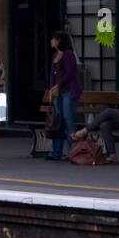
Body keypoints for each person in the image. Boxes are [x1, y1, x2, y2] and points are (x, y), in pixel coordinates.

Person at [46, 31, 82, 161]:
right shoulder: (55, 55)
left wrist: (58, 85)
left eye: (53, 39)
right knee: (57, 121)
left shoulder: (68, 54)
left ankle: (73, 151)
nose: (51, 41)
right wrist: (51, 88)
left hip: (68, 91)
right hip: (57, 93)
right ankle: (56, 151)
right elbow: (52, 74)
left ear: (59, 41)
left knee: (68, 119)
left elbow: (70, 73)